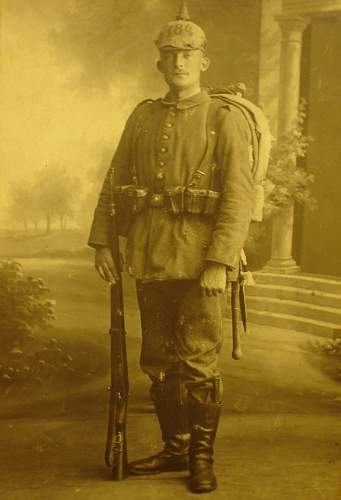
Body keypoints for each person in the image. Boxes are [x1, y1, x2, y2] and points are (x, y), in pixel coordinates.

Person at [88, 2, 255, 494]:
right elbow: (114, 180)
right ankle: (175, 446)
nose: (178, 61)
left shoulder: (224, 118)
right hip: (150, 255)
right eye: (169, 54)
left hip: (202, 260)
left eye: (188, 53)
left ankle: (201, 459)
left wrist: (221, 260)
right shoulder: (142, 117)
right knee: (157, 359)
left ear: (204, 60)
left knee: (199, 359)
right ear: (159, 63)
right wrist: (103, 241)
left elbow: (239, 197)